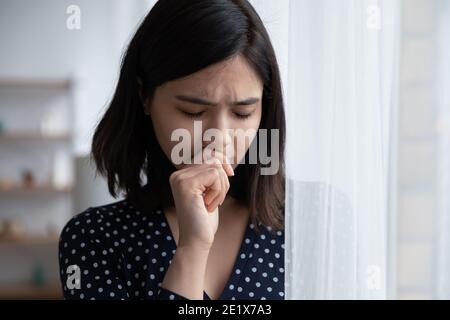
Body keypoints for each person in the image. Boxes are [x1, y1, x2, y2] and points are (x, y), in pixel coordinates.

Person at [59, 0, 286, 300]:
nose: (219, 138)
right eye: (193, 111)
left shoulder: (317, 218)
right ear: (144, 96)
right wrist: (192, 249)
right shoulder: (93, 237)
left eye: (242, 114)